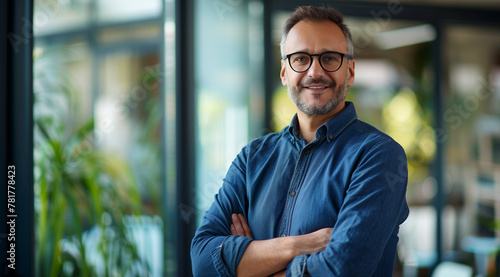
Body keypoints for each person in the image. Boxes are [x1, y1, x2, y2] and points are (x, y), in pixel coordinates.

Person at [191, 5, 409, 277]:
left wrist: (252, 261)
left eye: (330, 58)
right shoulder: (252, 159)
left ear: (350, 72)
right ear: (284, 72)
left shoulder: (379, 156)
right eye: (301, 58)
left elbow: (344, 269)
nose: (315, 72)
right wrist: (300, 246)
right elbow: (202, 261)